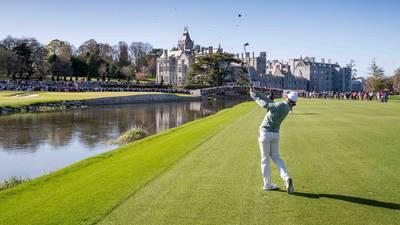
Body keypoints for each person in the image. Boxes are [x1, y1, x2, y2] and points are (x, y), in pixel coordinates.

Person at [249, 88, 297, 194]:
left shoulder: (280, 105)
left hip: (265, 133)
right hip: (275, 134)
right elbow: (270, 102)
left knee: (265, 159)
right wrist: (256, 92)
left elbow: (265, 104)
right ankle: (286, 178)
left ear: (287, 97)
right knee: (276, 158)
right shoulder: (286, 107)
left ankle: (267, 184)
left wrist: (253, 96)